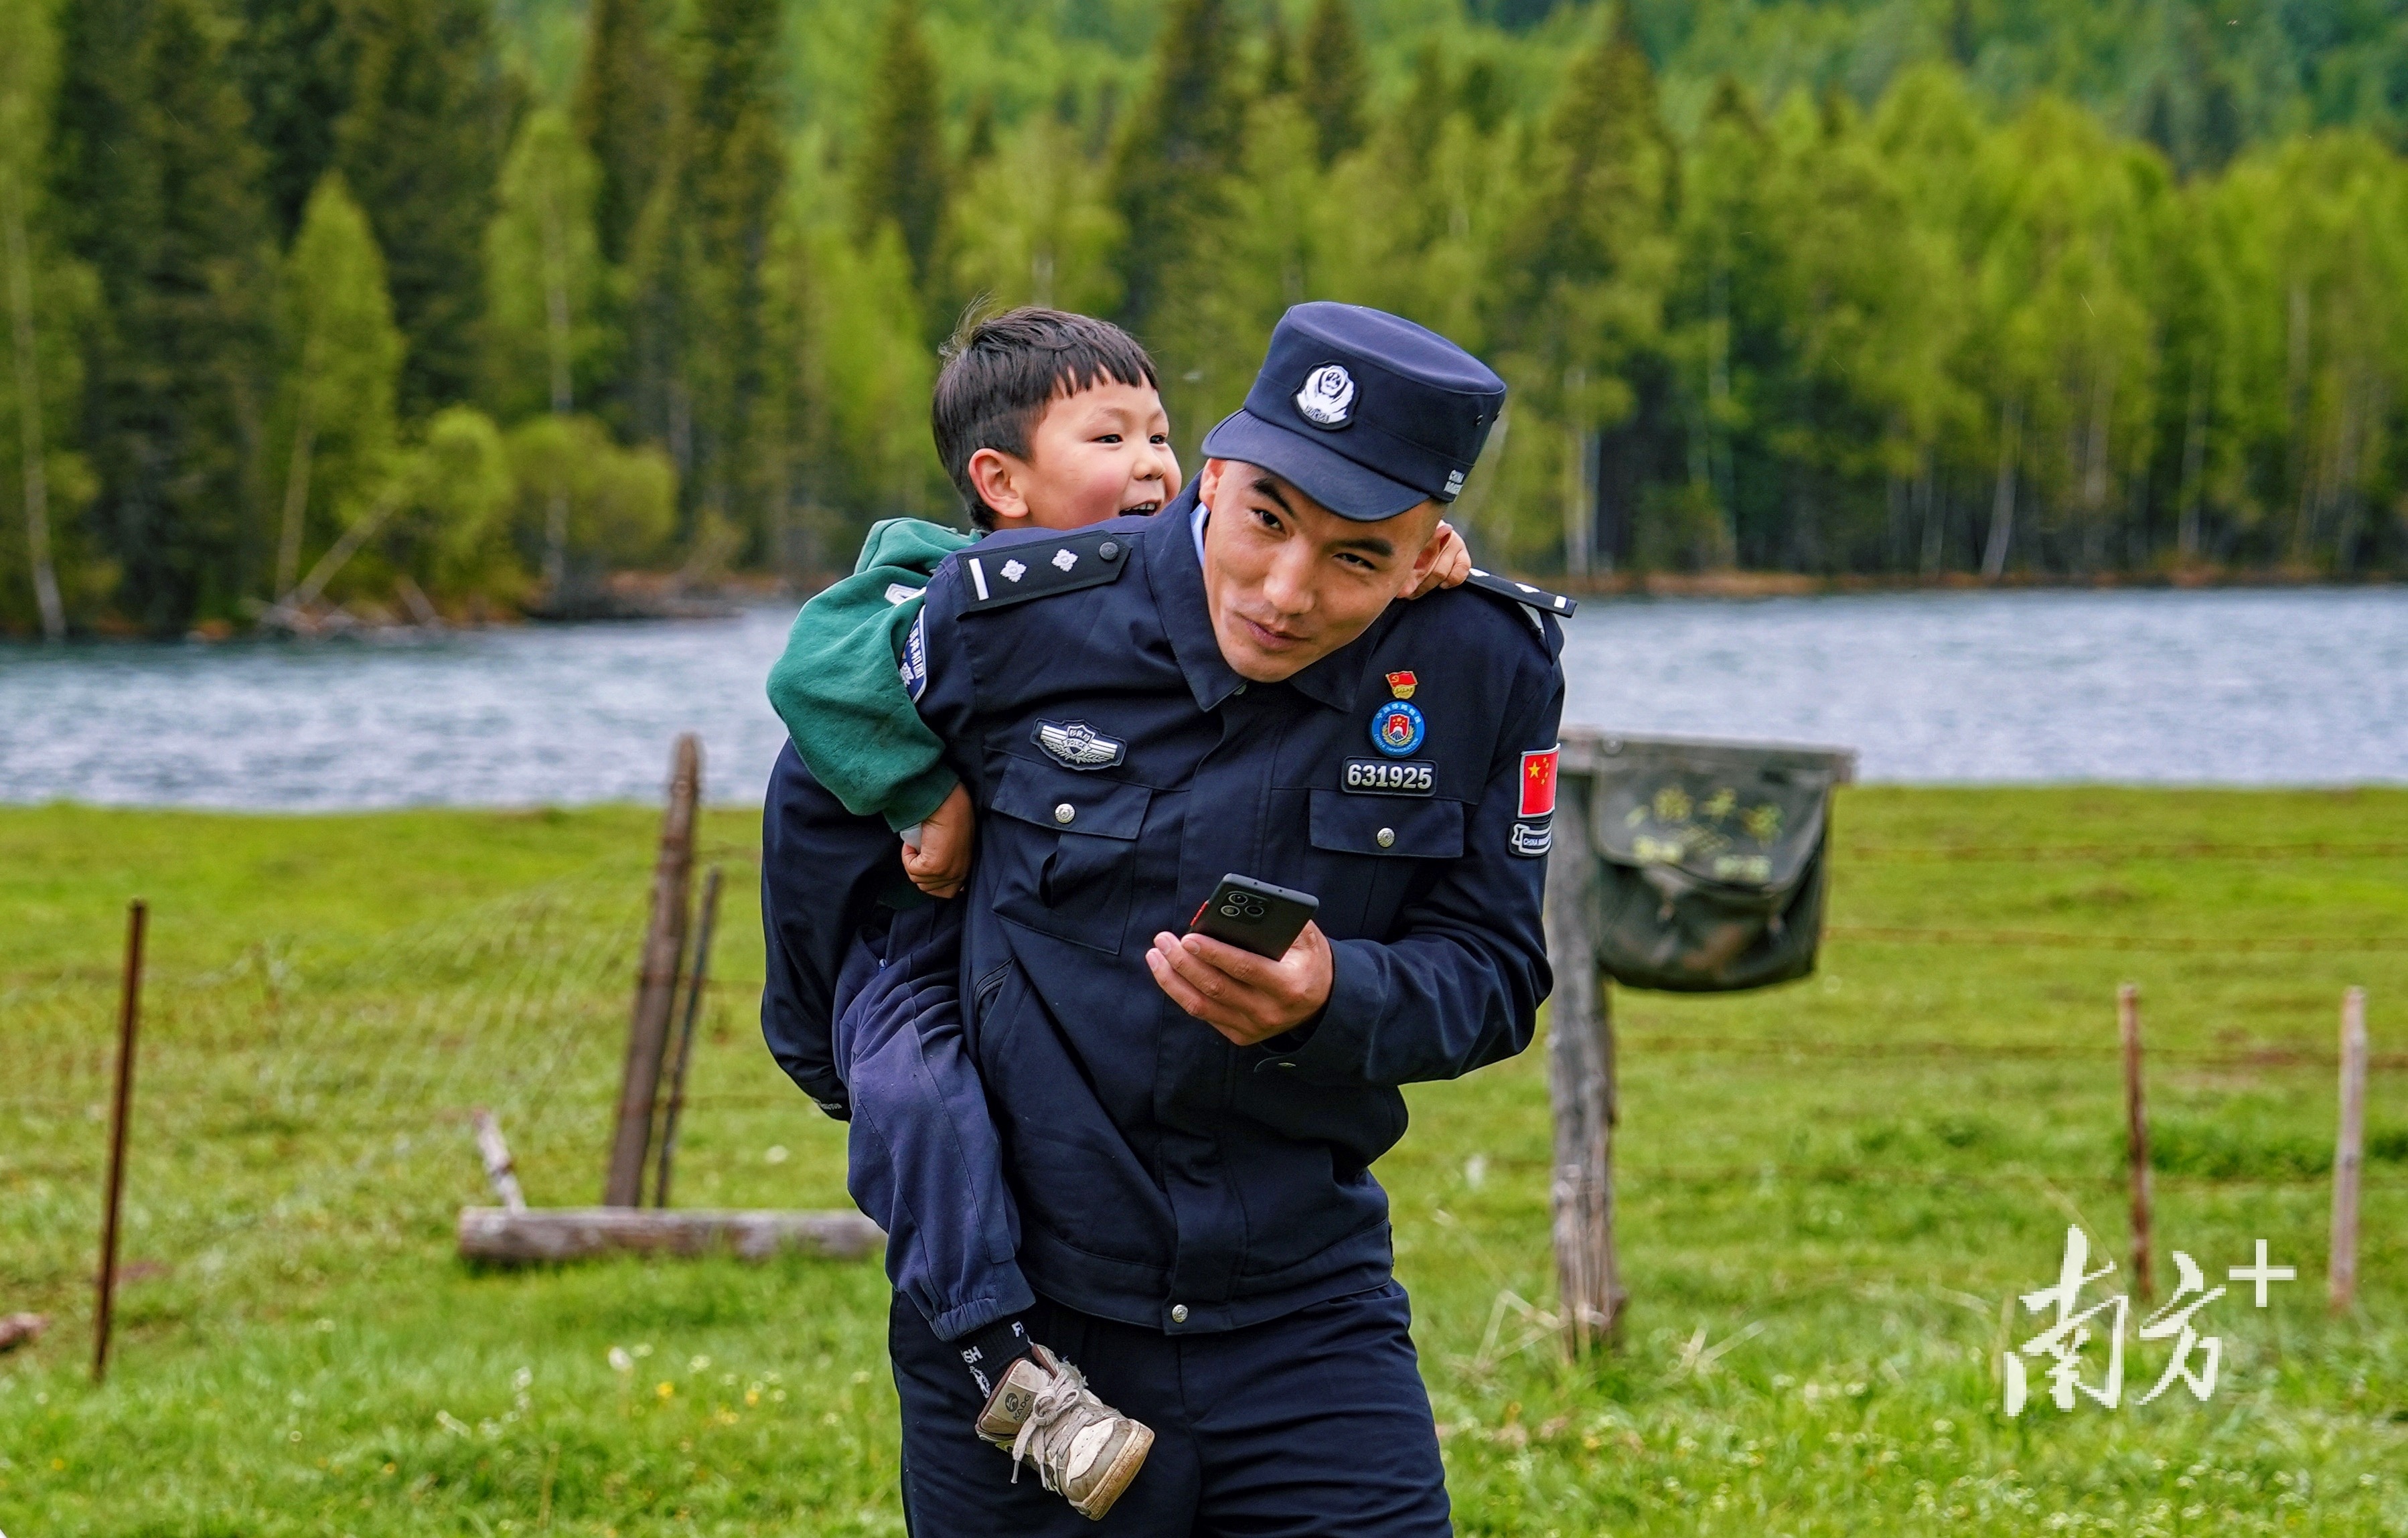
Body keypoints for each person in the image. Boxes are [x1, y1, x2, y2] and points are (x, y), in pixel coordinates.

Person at [763, 300, 1567, 1534]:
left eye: (1357, 558)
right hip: (1030, 1327)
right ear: (1219, 474)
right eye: (1266, 521)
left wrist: (1334, 999)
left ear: (1426, 551)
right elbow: (821, 816)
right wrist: (857, 1074)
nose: (1286, 590)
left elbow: (1497, 968)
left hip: (1305, 1313)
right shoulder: (1004, 613)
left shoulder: (1484, 665)